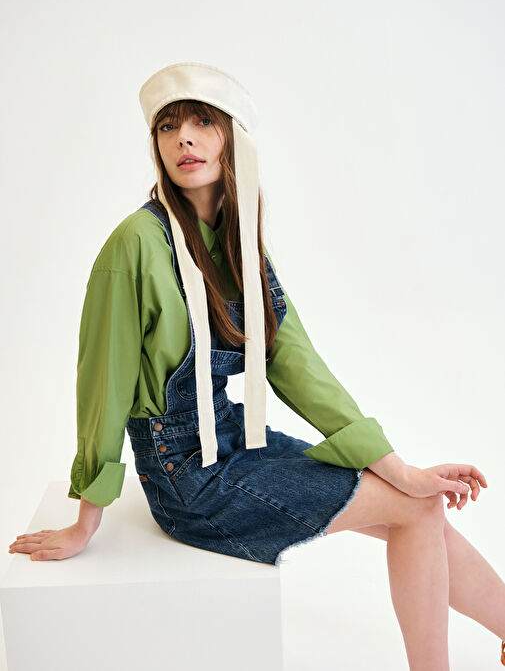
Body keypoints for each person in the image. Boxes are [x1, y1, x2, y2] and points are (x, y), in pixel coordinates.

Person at [8, 62, 505, 670]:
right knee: (417, 508)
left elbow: (295, 362)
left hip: (239, 443)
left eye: (202, 122)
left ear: (232, 140)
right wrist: (87, 518)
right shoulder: (135, 244)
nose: (184, 138)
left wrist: (397, 466)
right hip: (185, 478)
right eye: (168, 126)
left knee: (419, 508)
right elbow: (102, 385)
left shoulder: (241, 244)